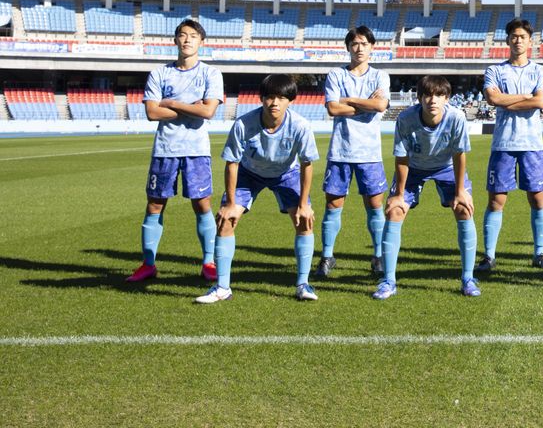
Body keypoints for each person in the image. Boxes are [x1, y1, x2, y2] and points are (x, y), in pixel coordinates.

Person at [196, 74, 320, 303]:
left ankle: (303, 284)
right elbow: (231, 163)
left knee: (304, 220)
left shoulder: (301, 126)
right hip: (248, 173)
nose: (275, 103)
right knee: (226, 220)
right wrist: (231, 204)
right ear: (262, 99)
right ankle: (222, 287)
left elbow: (306, 164)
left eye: (281, 98)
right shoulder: (243, 124)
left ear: (290, 100)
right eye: (270, 97)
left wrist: (304, 205)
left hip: (286, 173)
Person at [126, 19, 224, 284]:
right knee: (155, 204)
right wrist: (187, 106)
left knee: (202, 204)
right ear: (175, 40)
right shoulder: (159, 74)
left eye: (193, 36)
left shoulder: (211, 74)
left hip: (196, 150)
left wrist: (171, 103)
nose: (187, 40)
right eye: (182, 35)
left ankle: (208, 262)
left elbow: (208, 111)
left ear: (201, 42)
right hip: (165, 149)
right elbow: (151, 112)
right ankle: (148, 264)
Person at [376, 75, 480, 299]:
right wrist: (399, 195)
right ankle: (388, 281)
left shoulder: (457, 117)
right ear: (420, 98)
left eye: (439, 95)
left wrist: (461, 191)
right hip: (413, 167)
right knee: (395, 211)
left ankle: (468, 278)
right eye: (428, 95)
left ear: (447, 98)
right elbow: (401, 158)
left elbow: (459, 155)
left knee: (464, 209)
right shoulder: (405, 118)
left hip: (446, 167)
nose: (433, 100)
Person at [475, 17, 543, 273]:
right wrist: (525, 97)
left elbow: (540, 102)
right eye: (514, 36)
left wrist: (507, 100)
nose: (518, 40)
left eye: (522, 37)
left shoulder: (540, 70)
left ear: (530, 41)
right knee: (496, 200)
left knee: (538, 198)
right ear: (508, 40)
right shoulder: (495, 70)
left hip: (532, 144)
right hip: (503, 144)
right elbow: (492, 98)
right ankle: (488, 256)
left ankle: (539, 253)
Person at [316, 26, 390, 278]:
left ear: (372, 47)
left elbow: (380, 105)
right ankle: (327, 256)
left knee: (374, 205)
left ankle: (378, 256)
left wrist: (349, 100)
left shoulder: (381, 76)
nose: (359, 48)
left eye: (364, 43)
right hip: (341, 152)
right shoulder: (336, 74)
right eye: (355, 43)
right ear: (348, 47)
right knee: (333, 205)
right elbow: (333, 110)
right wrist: (364, 103)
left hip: (369, 154)